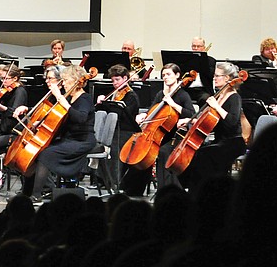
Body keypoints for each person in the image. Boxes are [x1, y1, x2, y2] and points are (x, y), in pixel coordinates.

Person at [120, 63, 196, 196]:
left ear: (177, 75)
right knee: (141, 152)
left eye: (168, 74)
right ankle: (133, 189)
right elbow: (152, 111)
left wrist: (172, 104)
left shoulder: (183, 95)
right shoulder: (160, 94)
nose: (165, 78)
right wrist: (144, 115)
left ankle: (167, 191)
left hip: (174, 137)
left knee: (162, 152)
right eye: (163, 75)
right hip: (158, 134)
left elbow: (190, 113)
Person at [171, 61, 245, 191]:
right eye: (214, 76)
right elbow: (211, 122)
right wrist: (190, 120)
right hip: (220, 140)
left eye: (218, 76)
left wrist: (216, 106)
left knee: (202, 156)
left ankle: (202, 191)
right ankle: (194, 191)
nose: (214, 78)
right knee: (194, 155)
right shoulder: (220, 95)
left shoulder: (234, 97)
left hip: (233, 142)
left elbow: (232, 123)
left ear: (227, 78)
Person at [28, 64, 95, 202]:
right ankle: (30, 191)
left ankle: (36, 195)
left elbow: (80, 118)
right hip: (69, 138)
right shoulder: (70, 98)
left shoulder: (84, 98)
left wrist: (62, 100)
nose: (62, 83)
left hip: (82, 140)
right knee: (36, 150)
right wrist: (40, 124)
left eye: (65, 80)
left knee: (46, 154)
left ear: (75, 80)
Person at [94, 64, 141, 192]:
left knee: (114, 143)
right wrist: (101, 103)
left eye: (117, 80)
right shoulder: (115, 94)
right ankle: (102, 179)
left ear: (125, 78)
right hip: (114, 129)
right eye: (113, 80)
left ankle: (113, 181)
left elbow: (127, 117)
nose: (114, 83)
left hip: (127, 131)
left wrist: (115, 106)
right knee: (99, 141)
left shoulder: (131, 96)